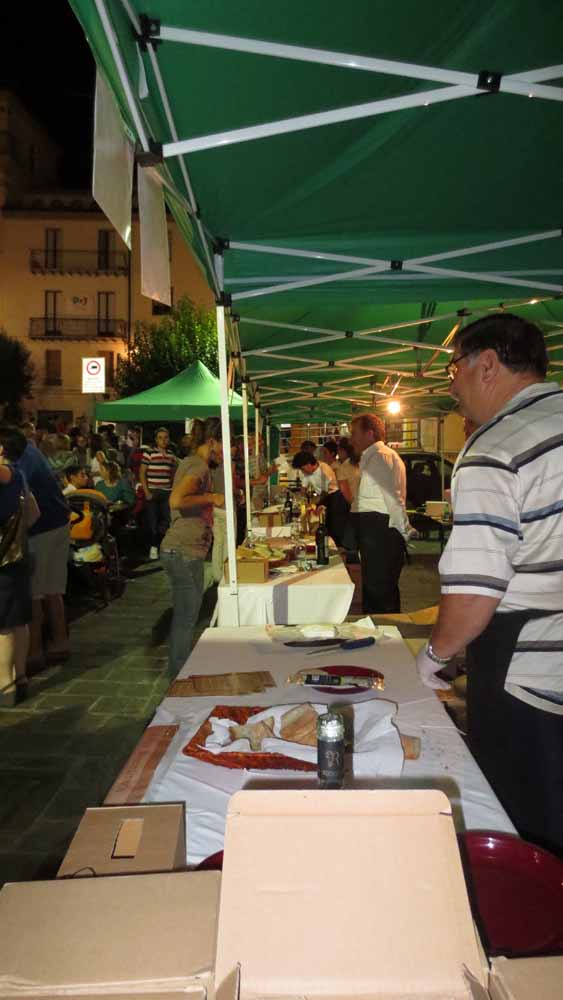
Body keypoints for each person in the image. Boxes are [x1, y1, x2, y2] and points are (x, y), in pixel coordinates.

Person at [415, 313, 563, 854]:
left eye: (454, 368)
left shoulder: (494, 448)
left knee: (529, 831)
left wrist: (434, 656)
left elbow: (476, 591)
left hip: (528, 670)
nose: (452, 386)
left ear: (489, 365)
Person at [0, 426, 70, 669]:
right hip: (60, 522)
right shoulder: (31, 451)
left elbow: (27, 506)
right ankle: (60, 642)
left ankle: (34, 652)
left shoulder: (17, 466)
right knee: (53, 590)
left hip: (42, 530)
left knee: (35, 594)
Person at [160, 416, 225, 676]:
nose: (227, 451)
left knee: (185, 616)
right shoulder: (198, 467)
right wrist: (211, 497)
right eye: (225, 444)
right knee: (186, 618)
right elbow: (176, 500)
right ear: (212, 442)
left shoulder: (192, 463)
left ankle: (180, 671)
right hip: (183, 549)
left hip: (183, 549)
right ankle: (179, 675)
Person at [349, 413, 410, 613]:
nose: (351, 439)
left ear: (369, 433)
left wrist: (404, 531)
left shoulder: (381, 457)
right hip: (376, 528)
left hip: (380, 530)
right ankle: (380, 626)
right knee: (377, 589)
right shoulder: (374, 456)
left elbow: (393, 498)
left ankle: (384, 628)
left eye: (354, 433)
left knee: (380, 591)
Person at [0, 442, 39, 703]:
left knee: (3, 625)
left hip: (3, 561)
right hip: (18, 555)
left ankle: (5, 685)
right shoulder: (19, 476)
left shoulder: (7, 476)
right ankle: (20, 677)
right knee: (19, 621)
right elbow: (34, 514)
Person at [140, 427, 178, 560]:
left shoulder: (171, 454)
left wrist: (172, 488)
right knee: (153, 522)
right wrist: (146, 491)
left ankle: (162, 544)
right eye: (160, 438)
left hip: (167, 492)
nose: (163, 440)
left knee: (167, 521)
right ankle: (154, 546)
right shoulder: (149, 453)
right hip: (153, 491)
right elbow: (142, 473)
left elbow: (173, 472)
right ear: (156, 440)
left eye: (166, 437)